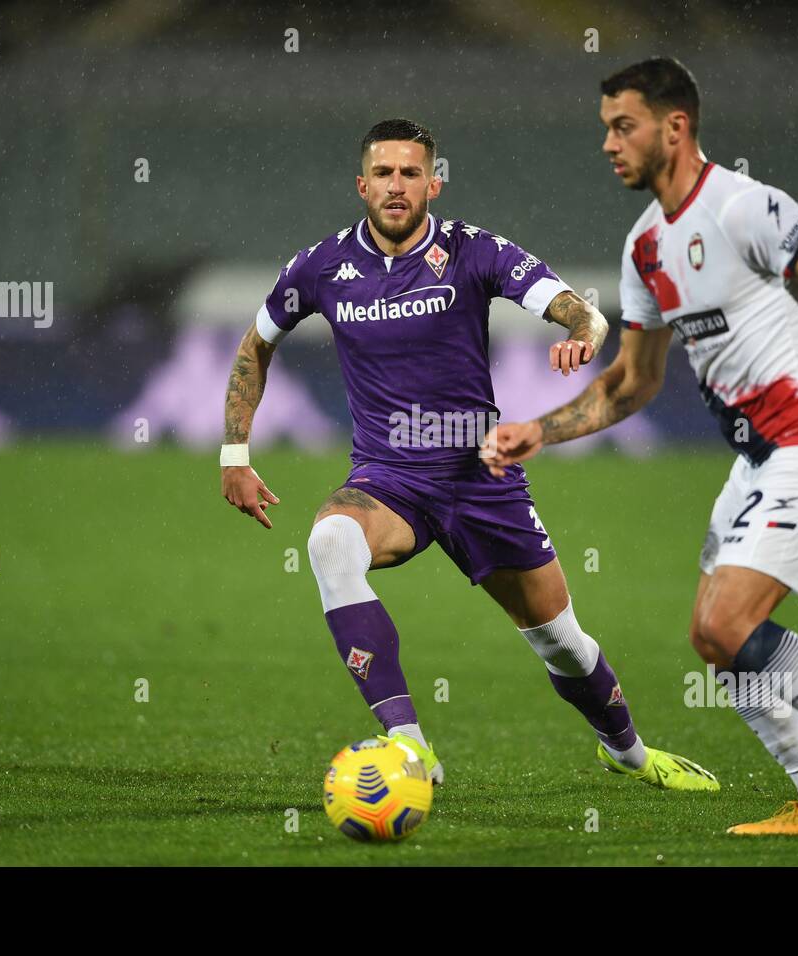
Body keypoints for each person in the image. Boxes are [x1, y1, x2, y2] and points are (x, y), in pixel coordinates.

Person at [483, 60, 798, 844]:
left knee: (731, 621)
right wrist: (543, 429)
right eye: (605, 126)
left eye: (623, 125)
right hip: (756, 460)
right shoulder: (645, 247)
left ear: (675, 127)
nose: (608, 142)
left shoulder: (745, 208)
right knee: (713, 637)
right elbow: (632, 385)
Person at [221, 117, 719, 795]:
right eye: (385, 173)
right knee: (332, 543)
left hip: (481, 478)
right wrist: (234, 454)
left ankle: (629, 753)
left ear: (435, 182)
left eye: (411, 173)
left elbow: (580, 309)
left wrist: (581, 331)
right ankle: (409, 745)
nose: (398, 186)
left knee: (560, 641)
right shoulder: (320, 267)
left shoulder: (472, 251)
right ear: (361, 183)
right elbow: (255, 344)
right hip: (388, 480)